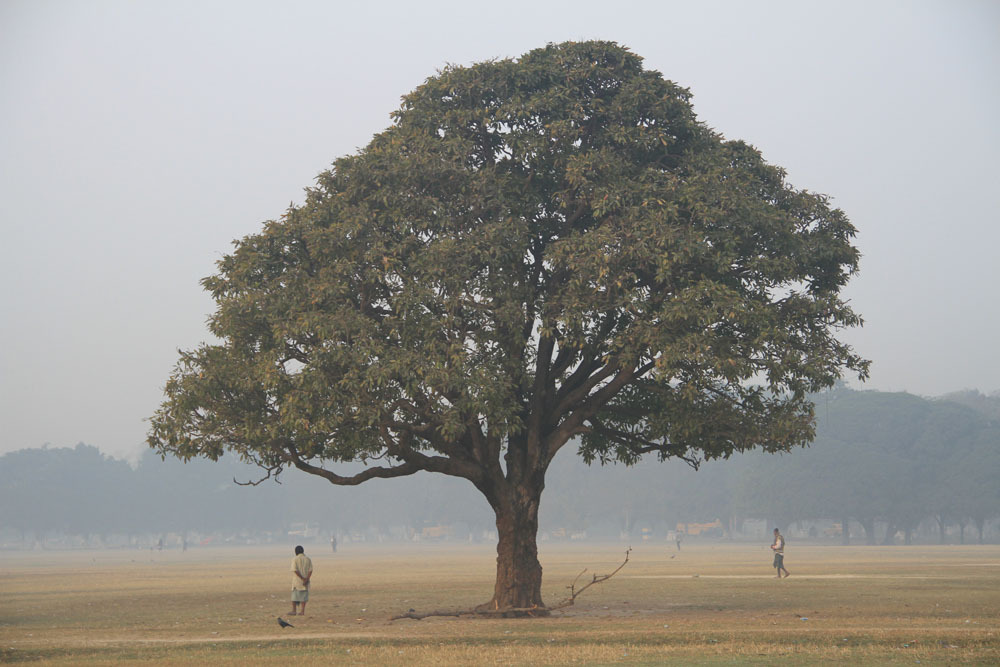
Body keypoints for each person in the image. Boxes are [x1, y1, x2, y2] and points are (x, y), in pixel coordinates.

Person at [290, 545, 313, 615]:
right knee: (304, 597)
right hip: (305, 581)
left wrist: (302, 578)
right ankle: (302, 611)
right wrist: (306, 579)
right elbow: (310, 570)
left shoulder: (295, 559)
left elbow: (295, 570)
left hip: (297, 581)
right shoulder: (308, 559)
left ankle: (294, 611)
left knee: (294, 596)